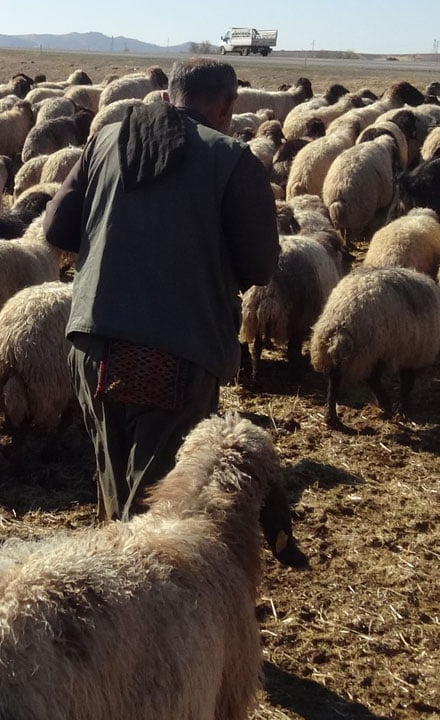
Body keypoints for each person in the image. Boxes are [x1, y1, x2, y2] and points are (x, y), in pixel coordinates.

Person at [43, 57, 279, 522]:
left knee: (114, 484)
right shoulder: (233, 160)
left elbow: (56, 229)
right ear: (228, 104)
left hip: (93, 343)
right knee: (157, 513)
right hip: (174, 356)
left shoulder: (104, 140)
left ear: (169, 96)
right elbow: (259, 266)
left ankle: (111, 552)